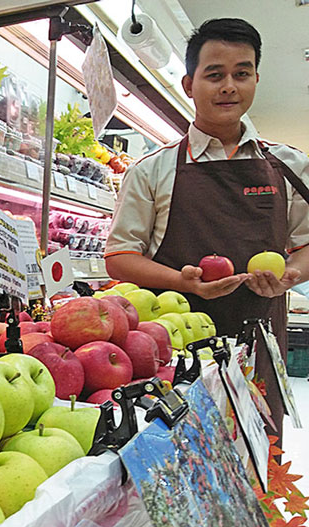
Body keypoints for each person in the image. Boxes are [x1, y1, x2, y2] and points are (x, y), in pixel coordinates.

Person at [105, 18, 309, 443]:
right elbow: (120, 257)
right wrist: (183, 283)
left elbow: (307, 246)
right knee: (180, 474)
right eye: (214, 75)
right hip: (171, 356)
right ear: (188, 83)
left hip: (258, 348)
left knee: (257, 464)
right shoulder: (153, 170)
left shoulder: (290, 166)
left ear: (256, 78)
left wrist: (292, 275)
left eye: (242, 73)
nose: (228, 86)